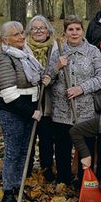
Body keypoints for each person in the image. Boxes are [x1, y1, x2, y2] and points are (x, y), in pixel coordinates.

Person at [42, 15, 101, 186]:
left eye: (78, 29)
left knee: (85, 148)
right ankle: (64, 180)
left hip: (85, 111)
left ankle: (84, 182)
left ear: (83, 31)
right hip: (62, 111)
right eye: (70, 29)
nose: (74, 32)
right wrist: (57, 66)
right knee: (62, 149)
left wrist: (82, 88)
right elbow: (47, 79)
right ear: (65, 32)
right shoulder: (58, 52)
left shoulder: (93, 51)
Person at [0, 21, 43, 202]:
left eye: (22, 33)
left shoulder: (26, 55)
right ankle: (8, 191)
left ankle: (18, 186)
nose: (22, 37)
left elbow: (34, 78)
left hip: (29, 110)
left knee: (25, 151)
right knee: (13, 152)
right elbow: (9, 94)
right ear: (5, 39)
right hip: (13, 111)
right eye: (16, 35)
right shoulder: (5, 59)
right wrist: (31, 112)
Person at [25, 15, 58, 182]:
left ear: (47, 31)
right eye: (34, 28)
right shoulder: (23, 49)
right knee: (28, 135)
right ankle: (26, 169)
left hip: (48, 101)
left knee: (46, 137)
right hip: (28, 100)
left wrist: (50, 78)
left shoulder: (55, 48)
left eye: (42, 28)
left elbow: (58, 72)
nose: (38, 31)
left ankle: (46, 168)